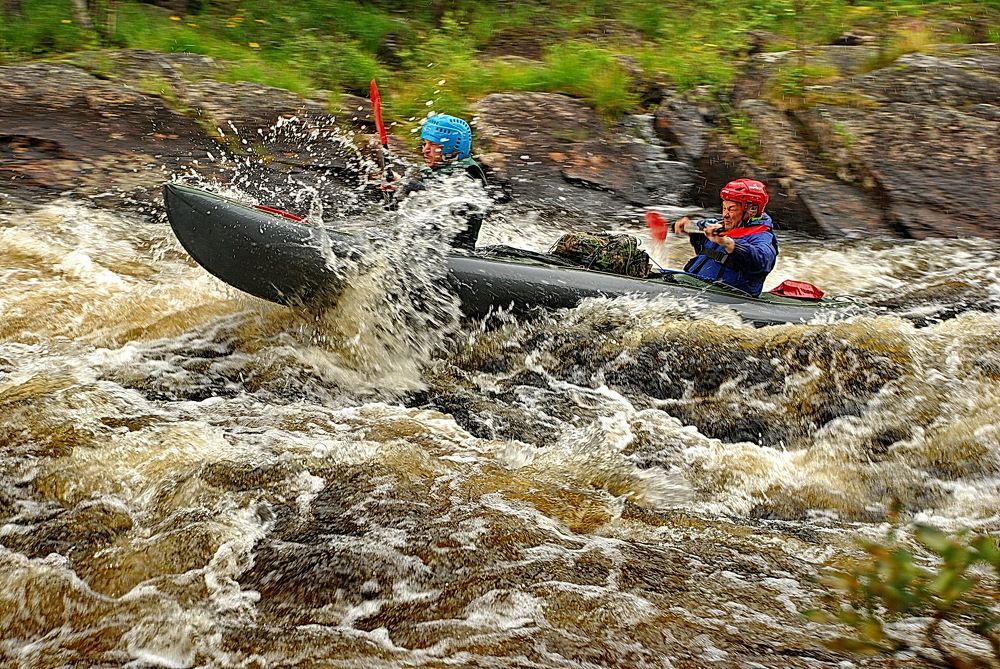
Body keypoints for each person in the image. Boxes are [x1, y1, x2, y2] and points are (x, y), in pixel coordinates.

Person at [381, 113, 488, 250]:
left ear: (452, 149)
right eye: (425, 144)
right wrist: (393, 193)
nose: (425, 150)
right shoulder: (435, 174)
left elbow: (439, 200)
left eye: (432, 145)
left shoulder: (467, 178)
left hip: (455, 253)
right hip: (428, 248)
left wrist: (404, 185)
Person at [671, 178, 778, 297]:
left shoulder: (763, 236)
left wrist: (729, 243)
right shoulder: (722, 226)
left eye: (732, 209)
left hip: (730, 298)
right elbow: (706, 248)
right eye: (724, 208)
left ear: (752, 210)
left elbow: (762, 261)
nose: (725, 214)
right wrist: (689, 230)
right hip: (696, 287)